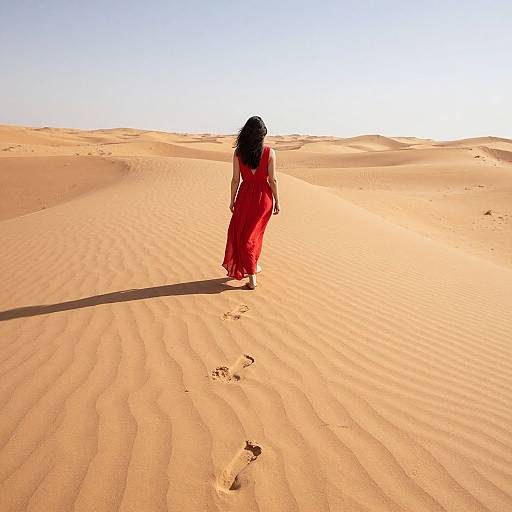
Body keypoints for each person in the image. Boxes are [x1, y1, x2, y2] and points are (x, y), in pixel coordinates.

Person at [221, 116, 280, 289]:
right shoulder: (270, 152)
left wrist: (232, 200)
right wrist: (277, 201)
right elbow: (273, 180)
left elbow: (234, 179)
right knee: (254, 235)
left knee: (245, 235)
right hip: (264, 199)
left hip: (245, 197)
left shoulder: (239, 153)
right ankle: (253, 268)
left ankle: (252, 272)